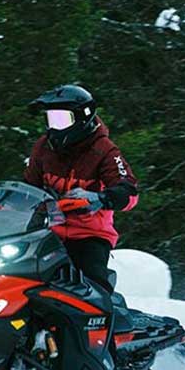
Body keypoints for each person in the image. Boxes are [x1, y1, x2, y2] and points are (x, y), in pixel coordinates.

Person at [23, 84, 138, 293]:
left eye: (61, 120)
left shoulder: (104, 150)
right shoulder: (44, 147)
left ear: (82, 118)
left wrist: (101, 198)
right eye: (50, 120)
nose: (54, 127)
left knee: (92, 285)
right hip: (49, 230)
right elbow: (29, 186)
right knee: (17, 274)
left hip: (89, 234)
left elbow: (129, 192)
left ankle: (100, 310)